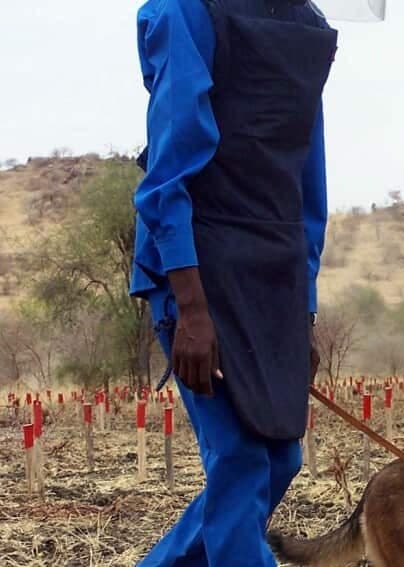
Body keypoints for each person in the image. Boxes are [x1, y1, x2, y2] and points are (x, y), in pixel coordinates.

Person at [128, 0, 336, 564]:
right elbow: (168, 172)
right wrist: (192, 311)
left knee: (279, 458)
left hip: (273, 274)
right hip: (197, 269)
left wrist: (304, 310)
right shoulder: (186, 13)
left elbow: (306, 186)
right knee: (241, 460)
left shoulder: (307, 28)